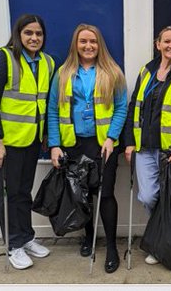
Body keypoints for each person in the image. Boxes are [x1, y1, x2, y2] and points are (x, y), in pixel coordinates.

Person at [47, 24, 128, 273]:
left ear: (99, 44)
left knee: (104, 194)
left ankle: (112, 247)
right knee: (81, 194)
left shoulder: (112, 72)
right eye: (83, 41)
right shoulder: (63, 74)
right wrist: (54, 145)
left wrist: (111, 138)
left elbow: (121, 107)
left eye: (92, 41)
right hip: (73, 143)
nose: (88, 46)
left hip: (103, 144)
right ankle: (89, 236)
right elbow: (52, 111)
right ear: (76, 44)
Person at [0, 14, 56, 270]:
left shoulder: (47, 62)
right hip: (8, 143)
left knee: (24, 193)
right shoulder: (3, 59)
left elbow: (44, 101)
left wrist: (45, 133)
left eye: (39, 34)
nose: (34, 38)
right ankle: (12, 245)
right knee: (9, 194)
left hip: (32, 141)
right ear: (18, 34)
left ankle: (26, 237)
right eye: (29, 33)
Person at [122, 26, 171, 266]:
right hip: (144, 148)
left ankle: (160, 246)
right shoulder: (147, 71)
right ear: (158, 44)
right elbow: (134, 105)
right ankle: (163, 239)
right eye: (167, 41)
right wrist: (129, 143)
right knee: (148, 196)